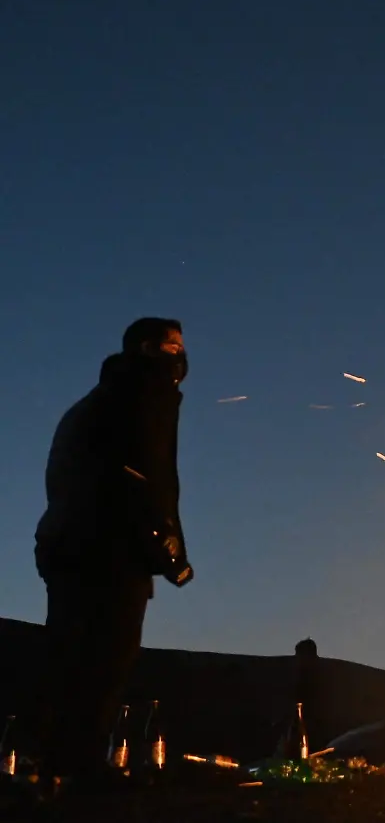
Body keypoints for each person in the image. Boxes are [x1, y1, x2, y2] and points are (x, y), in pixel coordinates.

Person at [34, 318, 195, 793]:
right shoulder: (141, 396)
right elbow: (137, 478)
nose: (181, 356)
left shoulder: (105, 399)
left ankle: (57, 767)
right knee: (101, 660)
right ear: (146, 349)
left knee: (76, 656)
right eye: (171, 346)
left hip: (74, 545)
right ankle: (77, 771)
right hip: (105, 551)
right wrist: (161, 547)